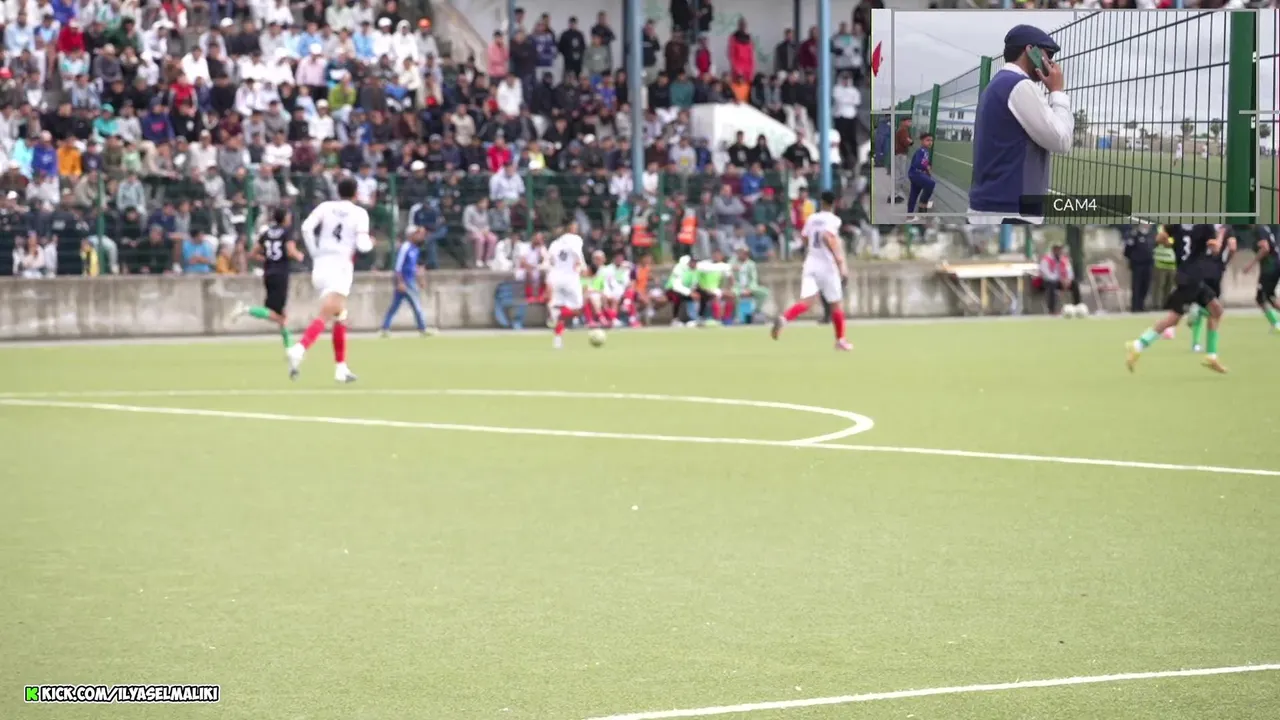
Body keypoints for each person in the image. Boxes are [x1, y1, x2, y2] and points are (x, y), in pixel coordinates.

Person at [968, 25, 1074, 224]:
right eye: (1048, 54)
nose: (1051, 63)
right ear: (1030, 51)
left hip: (988, 208)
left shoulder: (995, 86)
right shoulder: (1020, 85)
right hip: (1011, 211)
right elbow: (1062, 141)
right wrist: (1057, 92)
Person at [287, 176, 373, 382]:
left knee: (340, 315)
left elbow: (306, 228)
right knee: (327, 313)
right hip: (340, 266)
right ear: (356, 193)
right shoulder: (359, 213)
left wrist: (314, 251)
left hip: (321, 265)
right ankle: (300, 348)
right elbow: (363, 246)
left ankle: (341, 368)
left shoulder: (325, 207)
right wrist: (370, 242)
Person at [1126, 224, 1228, 374]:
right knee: (1173, 319)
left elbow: (1160, 239)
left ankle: (1211, 356)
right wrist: (1221, 235)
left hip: (1187, 276)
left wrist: (1172, 243)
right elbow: (1215, 249)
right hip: (1192, 278)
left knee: (1216, 310)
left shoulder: (1175, 224)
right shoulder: (1205, 226)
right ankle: (1138, 344)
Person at [771, 191, 851, 350]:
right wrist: (840, 261)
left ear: (821, 202)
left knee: (806, 302)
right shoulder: (834, 220)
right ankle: (840, 340)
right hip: (827, 266)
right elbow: (827, 237)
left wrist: (814, 250)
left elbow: (805, 237)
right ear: (834, 203)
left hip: (811, 263)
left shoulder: (812, 218)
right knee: (836, 304)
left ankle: (784, 318)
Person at [233, 208, 304, 347]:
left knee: (281, 313)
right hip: (281, 274)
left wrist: (268, 259)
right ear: (284, 218)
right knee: (277, 316)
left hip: (269, 273)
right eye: (288, 216)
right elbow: (290, 251)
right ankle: (246, 309)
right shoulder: (286, 232)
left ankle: (289, 348)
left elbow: (252, 254)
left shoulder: (266, 233)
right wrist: (299, 256)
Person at [1189, 226, 1237, 353]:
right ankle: (1211, 349)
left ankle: (1196, 343)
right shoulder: (1227, 228)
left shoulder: (1204, 226)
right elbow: (1232, 247)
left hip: (1201, 268)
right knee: (1214, 309)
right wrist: (1225, 262)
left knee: (1204, 305)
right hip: (1216, 270)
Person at [379, 226, 430, 336]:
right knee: (416, 304)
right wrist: (400, 282)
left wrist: (420, 279)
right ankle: (423, 328)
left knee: (395, 305)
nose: (420, 236)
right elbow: (398, 267)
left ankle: (385, 328)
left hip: (410, 279)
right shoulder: (405, 247)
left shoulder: (415, 248)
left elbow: (414, 266)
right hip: (406, 281)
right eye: (417, 234)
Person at [546, 223, 587, 350]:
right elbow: (577, 254)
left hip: (557, 278)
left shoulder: (554, 244)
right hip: (570, 278)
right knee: (579, 309)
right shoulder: (575, 239)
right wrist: (582, 265)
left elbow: (551, 261)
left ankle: (558, 338)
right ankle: (557, 314)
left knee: (561, 307)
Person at [1241, 225, 1280, 331]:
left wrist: (1250, 264)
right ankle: (1276, 324)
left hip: (1270, 267)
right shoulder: (1262, 228)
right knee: (1269, 297)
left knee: (1261, 297)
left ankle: (1276, 324)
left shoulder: (1259, 229)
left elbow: (1265, 248)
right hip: (1272, 266)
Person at [1037, 244, 1079, 315]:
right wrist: (1060, 280)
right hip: (1047, 282)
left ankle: (1077, 307)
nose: (1059, 251)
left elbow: (1070, 272)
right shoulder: (1046, 259)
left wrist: (1068, 280)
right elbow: (1047, 274)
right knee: (1052, 285)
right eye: (1057, 249)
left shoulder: (1064, 259)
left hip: (1062, 281)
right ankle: (1052, 310)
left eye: (1060, 249)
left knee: (1075, 283)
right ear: (1053, 250)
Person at [1122, 224, 1156, 312]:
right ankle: (1135, 307)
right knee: (1137, 286)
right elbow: (1127, 251)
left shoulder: (1151, 235)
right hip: (1138, 264)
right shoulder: (1134, 235)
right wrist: (1134, 258)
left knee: (1146, 285)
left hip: (1148, 264)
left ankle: (1142, 305)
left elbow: (1153, 248)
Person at [906, 132, 934, 219]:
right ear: (921, 141)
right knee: (931, 184)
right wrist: (926, 167)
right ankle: (922, 204)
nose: (930, 142)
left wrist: (926, 169)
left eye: (931, 140)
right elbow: (918, 163)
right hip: (916, 174)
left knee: (914, 194)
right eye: (927, 140)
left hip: (914, 174)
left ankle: (909, 214)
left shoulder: (925, 151)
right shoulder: (921, 151)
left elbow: (922, 163)